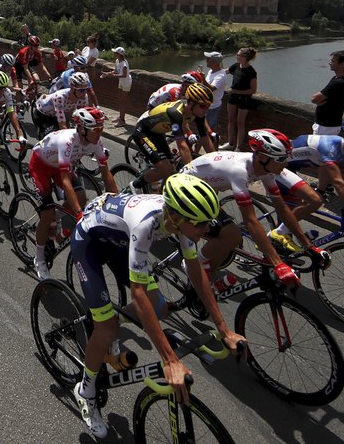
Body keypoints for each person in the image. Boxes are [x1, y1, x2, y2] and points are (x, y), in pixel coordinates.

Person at [70, 174, 245, 439]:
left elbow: (197, 275)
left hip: (117, 239)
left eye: (208, 223)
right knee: (106, 330)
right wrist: (170, 360)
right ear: (177, 217)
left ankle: (103, 324)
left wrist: (224, 329)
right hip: (90, 243)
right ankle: (86, 390)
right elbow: (138, 294)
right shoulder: (147, 224)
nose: (206, 230)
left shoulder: (184, 223)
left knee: (159, 306)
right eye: (200, 224)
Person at [181, 129, 326, 285]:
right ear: (263, 157)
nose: (285, 163)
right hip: (186, 188)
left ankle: (205, 276)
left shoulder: (265, 169)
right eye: (281, 159)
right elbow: (250, 221)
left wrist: (308, 246)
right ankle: (192, 265)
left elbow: (282, 208)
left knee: (228, 242)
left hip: (206, 188)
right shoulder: (239, 171)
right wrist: (278, 263)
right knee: (232, 236)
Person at [27, 107, 116, 280]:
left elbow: (106, 173)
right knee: (47, 214)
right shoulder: (67, 141)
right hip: (41, 166)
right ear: (82, 130)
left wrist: (118, 200)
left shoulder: (95, 141)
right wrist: (79, 215)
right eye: (96, 130)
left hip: (60, 167)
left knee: (81, 197)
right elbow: (66, 180)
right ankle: (39, 258)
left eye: (101, 129)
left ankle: (55, 221)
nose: (99, 133)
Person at [131, 83, 214, 190]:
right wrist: (191, 173)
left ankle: (162, 198)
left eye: (208, 106)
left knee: (171, 171)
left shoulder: (198, 114)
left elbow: (205, 139)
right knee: (166, 169)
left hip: (158, 132)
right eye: (203, 106)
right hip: (143, 131)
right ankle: (133, 186)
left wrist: (216, 161)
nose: (206, 109)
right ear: (192, 103)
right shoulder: (176, 113)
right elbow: (182, 144)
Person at [32, 72, 93, 136]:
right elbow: (62, 123)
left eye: (86, 89)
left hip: (56, 115)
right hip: (42, 114)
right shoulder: (60, 97)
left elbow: (85, 115)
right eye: (81, 90)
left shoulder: (84, 97)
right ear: (72, 88)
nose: (85, 92)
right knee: (52, 137)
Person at [311, 50, 344, 135]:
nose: (329, 63)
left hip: (326, 128)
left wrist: (318, 101)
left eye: (333, 61)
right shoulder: (340, 79)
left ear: (342, 64)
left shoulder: (338, 82)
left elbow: (314, 99)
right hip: (328, 126)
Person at [223, 47, 257, 151]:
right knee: (231, 120)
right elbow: (223, 72)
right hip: (233, 97)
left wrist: (237, 92)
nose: (236, 56)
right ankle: (230, 143)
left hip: (244, 99)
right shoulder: (236, 66)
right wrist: (219, 61)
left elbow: (253, 90)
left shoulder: (251, 71)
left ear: (245, 57)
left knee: (240, 123)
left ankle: (238, 147)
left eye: (238, 55)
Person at [101, 47, 131, 126]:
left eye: (115, 52)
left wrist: (113, 75)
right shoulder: (117, 61)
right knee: (120, 100)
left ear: (119, 54)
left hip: (126, 83)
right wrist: (107, 74)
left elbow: (124, 75)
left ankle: (122, 120)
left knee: (123, 101)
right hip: (121, 81)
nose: (113, 53)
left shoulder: (124, 64)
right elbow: (116, 71)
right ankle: (120, 117)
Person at [201, 51, 227, 131]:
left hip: (212, 106)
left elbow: (212, 88)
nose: (206, 60)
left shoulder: (221, 75)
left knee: (204, 129)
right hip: (207, 104)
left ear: (214, 62)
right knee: (212, 128)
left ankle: (199, 143)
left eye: (208, 59)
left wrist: (202, 78)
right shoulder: (211, 71)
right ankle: (214, 142)